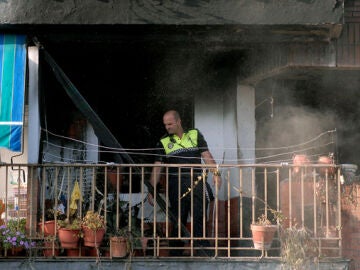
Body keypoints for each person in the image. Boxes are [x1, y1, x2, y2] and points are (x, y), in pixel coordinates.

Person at [148, 110, 221, 256]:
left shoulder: (194, 134)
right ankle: (175, 253)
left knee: (199, 217)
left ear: (178, 121)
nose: (167, 127)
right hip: (176, 185)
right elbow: (157, 168)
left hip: (197, 182)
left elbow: (206, 155)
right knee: (177, 219)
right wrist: (151, 190)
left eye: (170, 124)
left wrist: (216, 174)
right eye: (165, 125)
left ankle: (203, 253)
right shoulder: (163, 141)